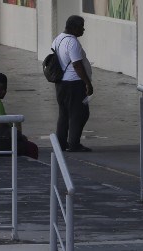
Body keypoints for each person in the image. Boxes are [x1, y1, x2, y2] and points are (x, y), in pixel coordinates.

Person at [52, 15, 93, 152]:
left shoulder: (58, 39)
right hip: (74, 84)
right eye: (81, 26)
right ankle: (74, 144)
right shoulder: (73, 42)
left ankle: (61, 143)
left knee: (64, 114)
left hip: (61, 84)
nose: (84, 29)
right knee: (79, 113)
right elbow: (77, 65)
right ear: (74, 27)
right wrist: (87, 83)